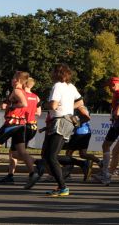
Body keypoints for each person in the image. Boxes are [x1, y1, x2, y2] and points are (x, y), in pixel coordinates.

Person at [42, 63, 89, 198]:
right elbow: (81, 102)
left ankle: (63, 187)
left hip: (60, 122)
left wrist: (44, 104)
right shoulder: (71, 86)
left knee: (51, 156)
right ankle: (76, 167)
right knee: (47, 155)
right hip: (67, 121)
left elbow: (53, 105)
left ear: (57, 73)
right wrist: (69, 107)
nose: (51, 74)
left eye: (52, 71)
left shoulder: (57, 86)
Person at [0, 71, 35, 188]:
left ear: (19, 80)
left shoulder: (17, 91)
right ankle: (33, 172)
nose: (11, 80)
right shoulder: (25, 92)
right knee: (20, 152)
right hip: (21, 124)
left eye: (13, 78)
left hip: (11, 123)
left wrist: (11, 106)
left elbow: (24, 104)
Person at [97, 76, 119, 184]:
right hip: (118, 124)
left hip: (118, 125)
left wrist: (115, 115)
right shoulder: (118, 94)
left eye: (109, 86)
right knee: (114, 149)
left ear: (114, 84)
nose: (108, 88)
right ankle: (106, 173)